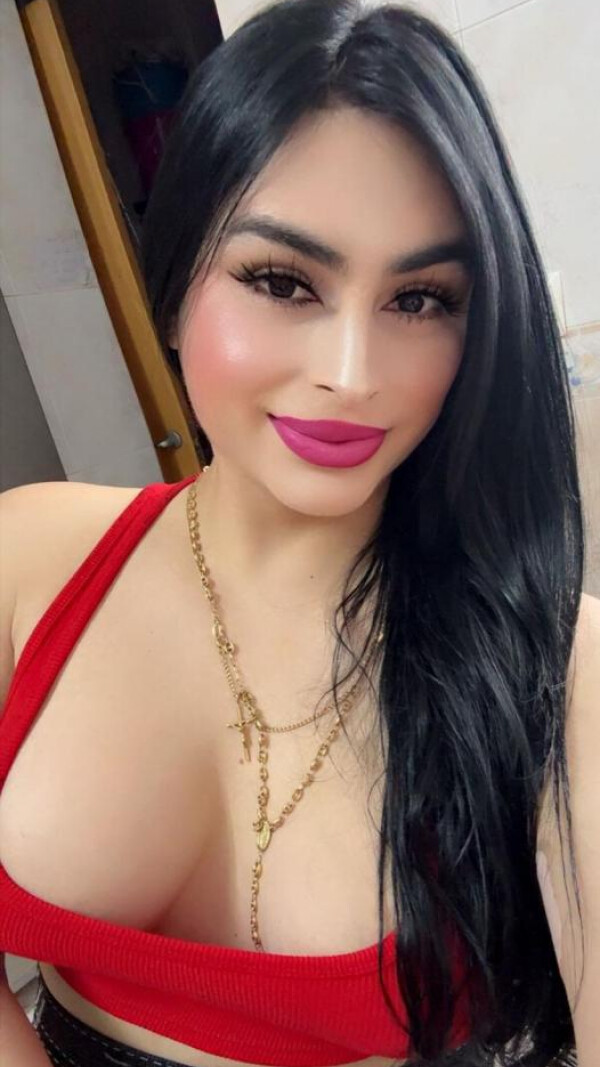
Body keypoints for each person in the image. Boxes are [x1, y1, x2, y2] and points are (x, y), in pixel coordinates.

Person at [1, 0, 598, 1065]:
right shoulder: (28, 560)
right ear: (175, 281)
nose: (352, 374)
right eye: (282, 281)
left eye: (421, 299)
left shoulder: (561, 670)